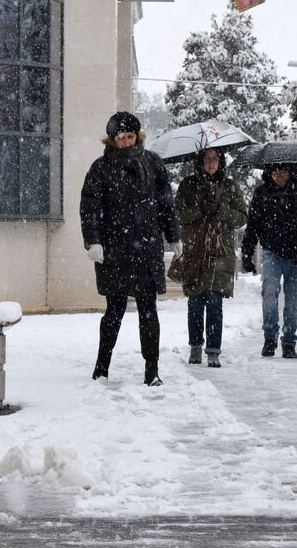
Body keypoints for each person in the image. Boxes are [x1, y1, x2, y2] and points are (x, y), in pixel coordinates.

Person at [80, 111, 181, 386]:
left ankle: (152, 371)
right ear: (112, 140)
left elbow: (166, 204)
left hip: (146, 250)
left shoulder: (152, 163)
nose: (126, 142)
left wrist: (174, 236)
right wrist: (93, 240)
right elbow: (90, 207)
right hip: (114, 251)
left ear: (138, 136)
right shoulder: (101, 168)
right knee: (114, 310)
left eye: (130, 136)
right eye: (121, 137)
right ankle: (101, 369)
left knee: (149, 310)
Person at [241, 165, 297, 359]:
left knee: (293, 300)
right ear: (269, 173)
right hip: (272, 251)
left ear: (290, 172)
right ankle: (270, 337)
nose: (279, 176)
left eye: (283, 172)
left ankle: (289, 341)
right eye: (275, 173)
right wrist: (247, 253)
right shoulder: (262, 193)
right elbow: (253, 225)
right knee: (269, 291)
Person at [172, 147, 247, 368]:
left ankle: (213, 351)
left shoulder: (230, 186)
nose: (211, 163)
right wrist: (199, 209)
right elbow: (177, 215)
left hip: (220, 252)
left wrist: (219, 209)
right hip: (195, 251)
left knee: (215, 302)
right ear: (200, 162)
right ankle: (195, 346)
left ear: (221, 161)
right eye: (207, 159)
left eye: (215, 159)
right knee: (195, 301)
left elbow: (241, 218)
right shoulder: (188, 186)